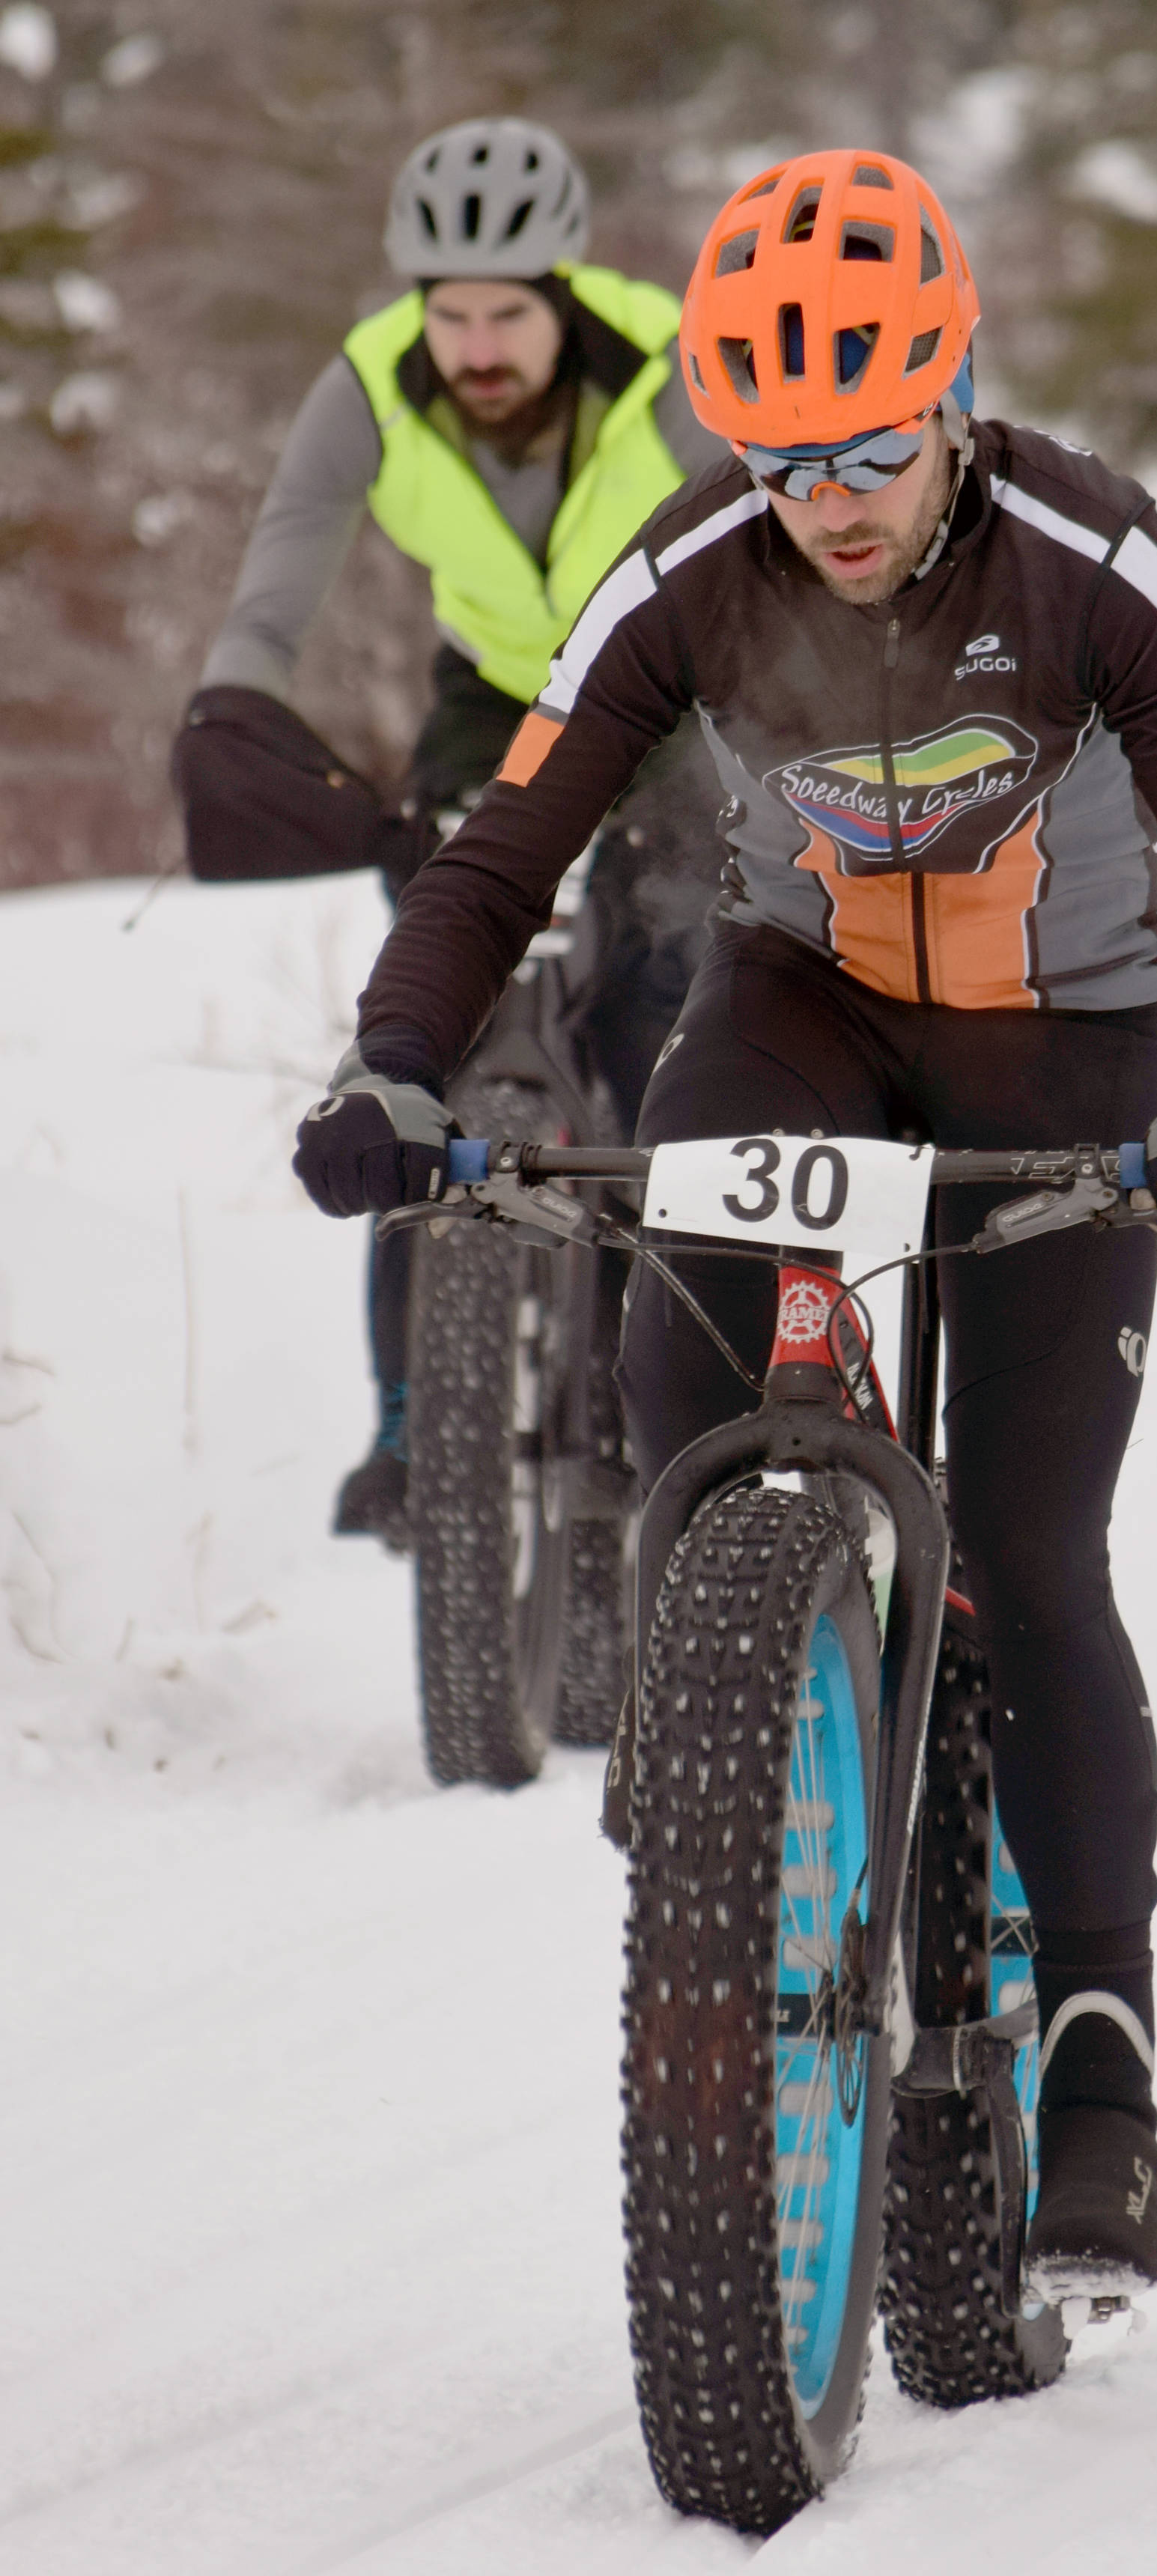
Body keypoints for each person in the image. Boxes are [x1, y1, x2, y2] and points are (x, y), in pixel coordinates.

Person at [292, 151, 1157, 2301]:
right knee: (677, 1364)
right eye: (783, 456)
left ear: (955, 395)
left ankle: (1103, 2062)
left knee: (1037, 1548)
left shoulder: (1093, 560)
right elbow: (503, 855)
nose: (832, 498)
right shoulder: (691, 567)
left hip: (1067, 1041)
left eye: (873, 446)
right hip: (804, 1011)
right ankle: (730, 1760)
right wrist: (390, 1062)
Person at [173, 118, 726, 1544]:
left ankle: (642, 1389)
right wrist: (238, 707)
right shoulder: (368, 385)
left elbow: (749, 542)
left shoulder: (670, 366)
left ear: (565, 294)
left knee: (650, 1012)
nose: (477, 345)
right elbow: (284, 564)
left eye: (506, 313)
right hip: (495, 698)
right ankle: (413, 1422)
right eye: (450, 312)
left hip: (662, 693)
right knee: (425, 1031)